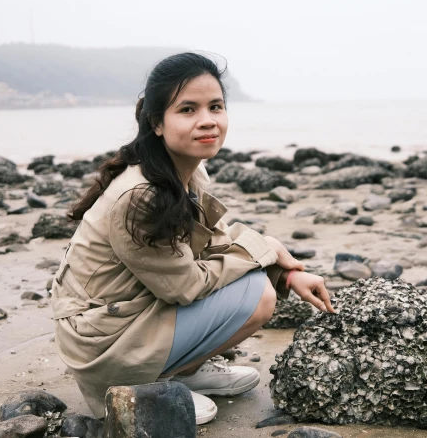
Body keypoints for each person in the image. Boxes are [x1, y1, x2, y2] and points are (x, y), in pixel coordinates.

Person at [51, 52, 334, 424]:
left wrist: (287, 272)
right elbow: (184, 286)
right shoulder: (141, 196)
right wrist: (264, 251)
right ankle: (147, 386)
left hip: (123, 319)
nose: (207, 121)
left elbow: (213, 244)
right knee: (258, 296)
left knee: (256, 282)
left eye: (215, 106)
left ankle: (184, 370)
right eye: (187, 110)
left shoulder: (186, 173)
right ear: (156, 123)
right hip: (103, 346)